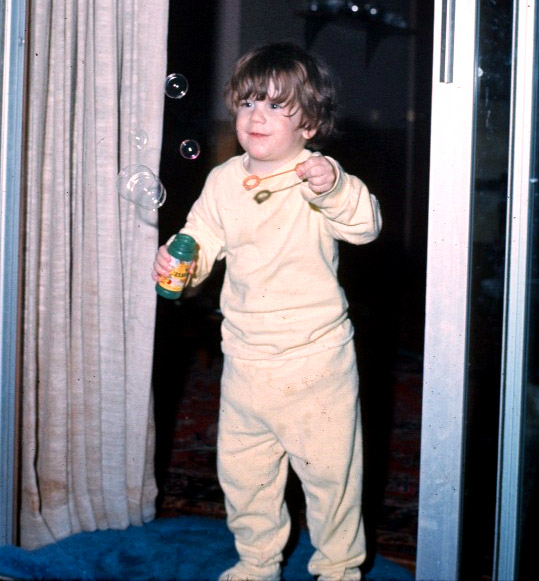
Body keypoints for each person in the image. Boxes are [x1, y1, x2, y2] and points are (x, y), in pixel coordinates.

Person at [152, 42, 382, 581]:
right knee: (244, 473)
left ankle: (339, 568)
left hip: (315, 361)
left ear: (310, 126)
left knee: (332, 476)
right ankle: (256, 562)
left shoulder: (319, 175)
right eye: (250, 101)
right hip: (247, 360)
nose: (259, 116)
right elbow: (201, 239)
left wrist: (338, 188)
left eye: (279, 106)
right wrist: (178, 263)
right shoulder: (223, 180)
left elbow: (364, 225)